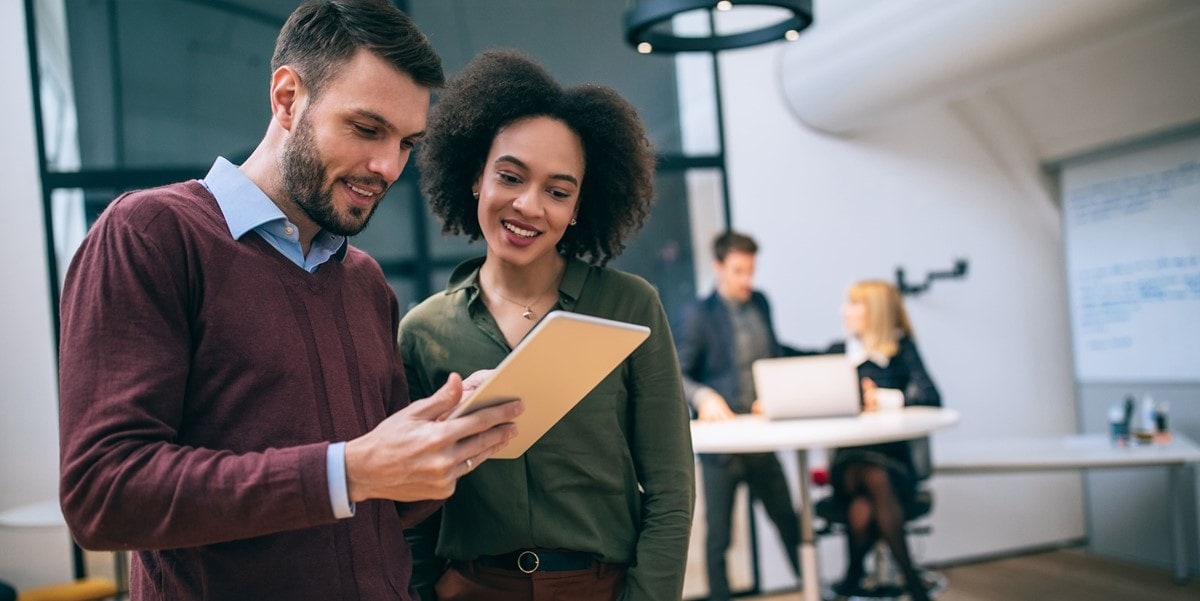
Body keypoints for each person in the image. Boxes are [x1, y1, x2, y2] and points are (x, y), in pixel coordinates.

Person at [56, 2, 522, 599]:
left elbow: (376, 502)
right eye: (366, 128)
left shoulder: (364, 282)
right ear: (286, 98)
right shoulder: (152, 235)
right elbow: (104, 494)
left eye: (407, 143)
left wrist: (440, 449)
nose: (387, 167)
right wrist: (348, 469)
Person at [398, 49, 695, 601]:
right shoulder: (423, 332)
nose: (529, 206)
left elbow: (671, 489)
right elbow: (414, 501)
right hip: (471, 588)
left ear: (580, 205)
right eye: (510, 177)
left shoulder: (630, 307)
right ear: (475, 178)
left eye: (558, 192)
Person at [674, 231, 802, 601]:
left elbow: (774, 354)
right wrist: (704, 394)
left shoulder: (761, 303)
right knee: (720, 539)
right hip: (723, 448)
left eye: (751, 271)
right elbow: (677, 372)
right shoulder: (697, 315)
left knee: (788, 524)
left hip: (761, 439)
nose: (747, 280)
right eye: (739, 271)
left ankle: (814, 592)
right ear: (718, 267)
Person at [827, 280, 941, 601]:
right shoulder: (839, 353)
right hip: (849, 466)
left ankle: (852, 578)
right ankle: (913, 584)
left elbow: (931, 396)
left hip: (894, 464)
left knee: (865, 506)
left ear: (873, 312)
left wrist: (885, 399)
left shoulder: (902, 351)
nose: (844, 311)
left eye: (853, 304)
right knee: (870, 479)